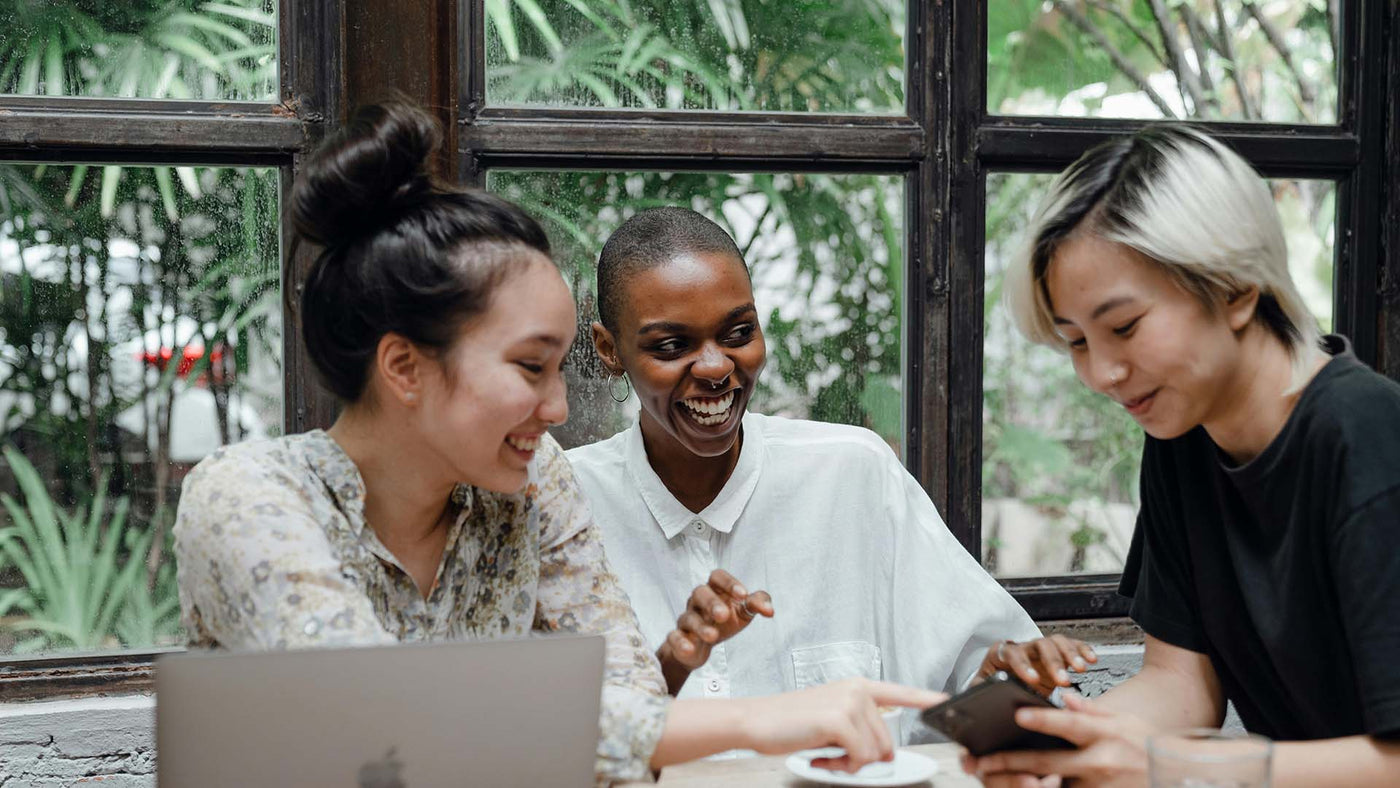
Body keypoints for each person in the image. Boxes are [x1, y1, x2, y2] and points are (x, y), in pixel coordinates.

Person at [171, 103, 945, 786]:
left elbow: (630, 712)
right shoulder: (249, 499)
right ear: (404, 366)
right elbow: (380, 720)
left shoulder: (531, 484)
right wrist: (762, 721)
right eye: (531, 367)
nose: (559, 406)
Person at [965, 126, 1400, 787]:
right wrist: (1063, 744)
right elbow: (1180, 683)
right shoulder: (1182, 439)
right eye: (1077, 342)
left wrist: (1182, 765)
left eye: (1124, 328)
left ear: (1232, 289)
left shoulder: (1367, 436)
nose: (1102, 374)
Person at [565, 207, 1094, 730]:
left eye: (738, 333)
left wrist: (1007, 681)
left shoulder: (854, 475)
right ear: (609, 350)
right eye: (672, 346)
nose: (716, 367)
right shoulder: (566, 506)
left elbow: (979, 685)